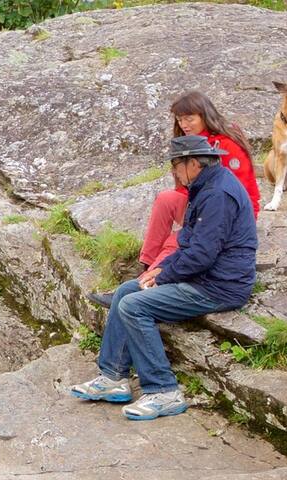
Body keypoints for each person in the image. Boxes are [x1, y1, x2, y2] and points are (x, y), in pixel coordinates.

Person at [68, 135, 259, 421]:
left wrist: (165, 276)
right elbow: (189, 241)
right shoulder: (206, 186)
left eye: (176, 165)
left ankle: (164, 391)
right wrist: (161, 269)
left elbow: (203, 255)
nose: (174, 172)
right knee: (126, 290)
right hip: (205, 276)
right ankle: (113, 377)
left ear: (193, 163)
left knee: (134, 305)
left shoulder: (218, 195)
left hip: (220, 286)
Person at [88, 91, 260, 307]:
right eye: (180, 119)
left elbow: (238, 192)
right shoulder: (188, 144)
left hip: (226, 212)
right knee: (165, 199)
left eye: (189, 118)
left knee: (177, 241)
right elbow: (188, 189)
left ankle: (148, 283)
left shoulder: (225, 144)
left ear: (205, 115)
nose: (184, 124)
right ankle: (147, 266)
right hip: (202, 204)